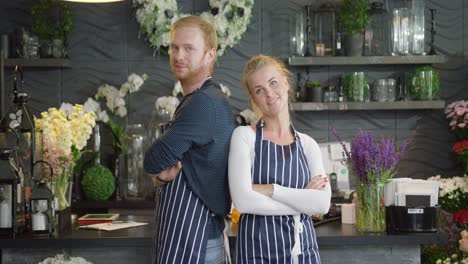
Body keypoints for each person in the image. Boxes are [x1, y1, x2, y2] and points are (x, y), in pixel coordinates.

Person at [144, 16, 235, 264]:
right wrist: (161, 175)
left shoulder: (202, 103)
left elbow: (153, 159)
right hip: (192, 237)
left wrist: (158, 171)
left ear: (210, 55)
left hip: (195, 241)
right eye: (174, 47)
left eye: (189, 48)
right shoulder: (202, 99)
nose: (178, 55)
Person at [228, 55, 331, 264]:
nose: (269, 94)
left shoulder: (307, 144)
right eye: (259, 90)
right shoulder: (244, 137)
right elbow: (243, 201)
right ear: (253, 99)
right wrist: (303, 202)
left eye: (273, 83)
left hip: (303, 253)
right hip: (256, 254)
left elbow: (321, 205)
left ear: (285, 83)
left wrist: (269, 189)